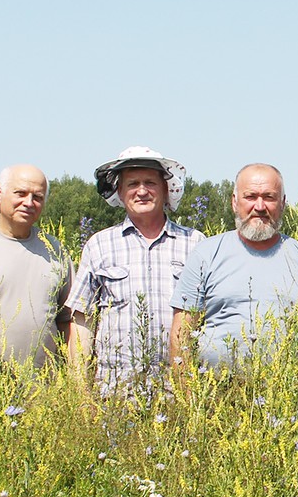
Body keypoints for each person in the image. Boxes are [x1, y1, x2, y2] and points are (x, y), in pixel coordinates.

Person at [169, 163, 298, 373]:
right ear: (234, 202)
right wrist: (187, 399)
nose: (259, 206)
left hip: (287, 399)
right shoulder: (206, 254)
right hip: (213, 395)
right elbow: (181, 334)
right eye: (250, 196)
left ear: (282, 203)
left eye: (269, 197)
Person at [66, 146, 203, 397]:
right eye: (133, 184)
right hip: (114, 395)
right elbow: (81, 322)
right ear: (120, 191)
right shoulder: (99, 245)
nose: (142, 191)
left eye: (150, 183)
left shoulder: (195, 243)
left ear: (165, 189)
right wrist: (81, 396)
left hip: (177, 395)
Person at [0, 164, 74, 368]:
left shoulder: (55, 251)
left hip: (46, 390)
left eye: (37, 197)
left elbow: (68, 320)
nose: (28, 203)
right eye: (20, 193)